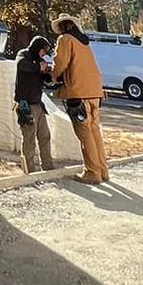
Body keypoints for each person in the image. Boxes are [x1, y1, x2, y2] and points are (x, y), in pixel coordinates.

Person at [52, 14, 109, 184]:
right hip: (95, 92)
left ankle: (92, 172)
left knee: (84, 133)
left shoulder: (65, 39)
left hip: (78, 93)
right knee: (94, 131)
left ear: (62, 27)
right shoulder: (85, 43)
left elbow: (60, 63)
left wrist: (53, 75)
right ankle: (103, 170)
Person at [12, 36, 54, 172]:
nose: (44, 54)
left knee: (45, 136)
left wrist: (49, 72)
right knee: (29, 138)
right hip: (25, 104)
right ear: (37, 47)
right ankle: (29, 170)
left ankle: (48, 167)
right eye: (43, 51)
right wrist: (38, 67)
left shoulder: (39, 61)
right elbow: (21, 65)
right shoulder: (23, 54)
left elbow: (46, 80)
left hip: (38, 104)